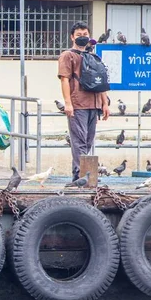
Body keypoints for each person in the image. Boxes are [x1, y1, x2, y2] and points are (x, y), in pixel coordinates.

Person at [58, 21, 109, 181]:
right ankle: (80, 175)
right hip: (77, 104)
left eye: (85, 35)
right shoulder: (68, 56)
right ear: (72, 37)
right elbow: (64, 80)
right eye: (79, 35)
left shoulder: (93, 57)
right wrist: (67, 103)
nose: (82, 37)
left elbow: (100, 82)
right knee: (79, 141)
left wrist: (105, 103)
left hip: (93, 105)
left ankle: (86, 175)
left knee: (88, 141)